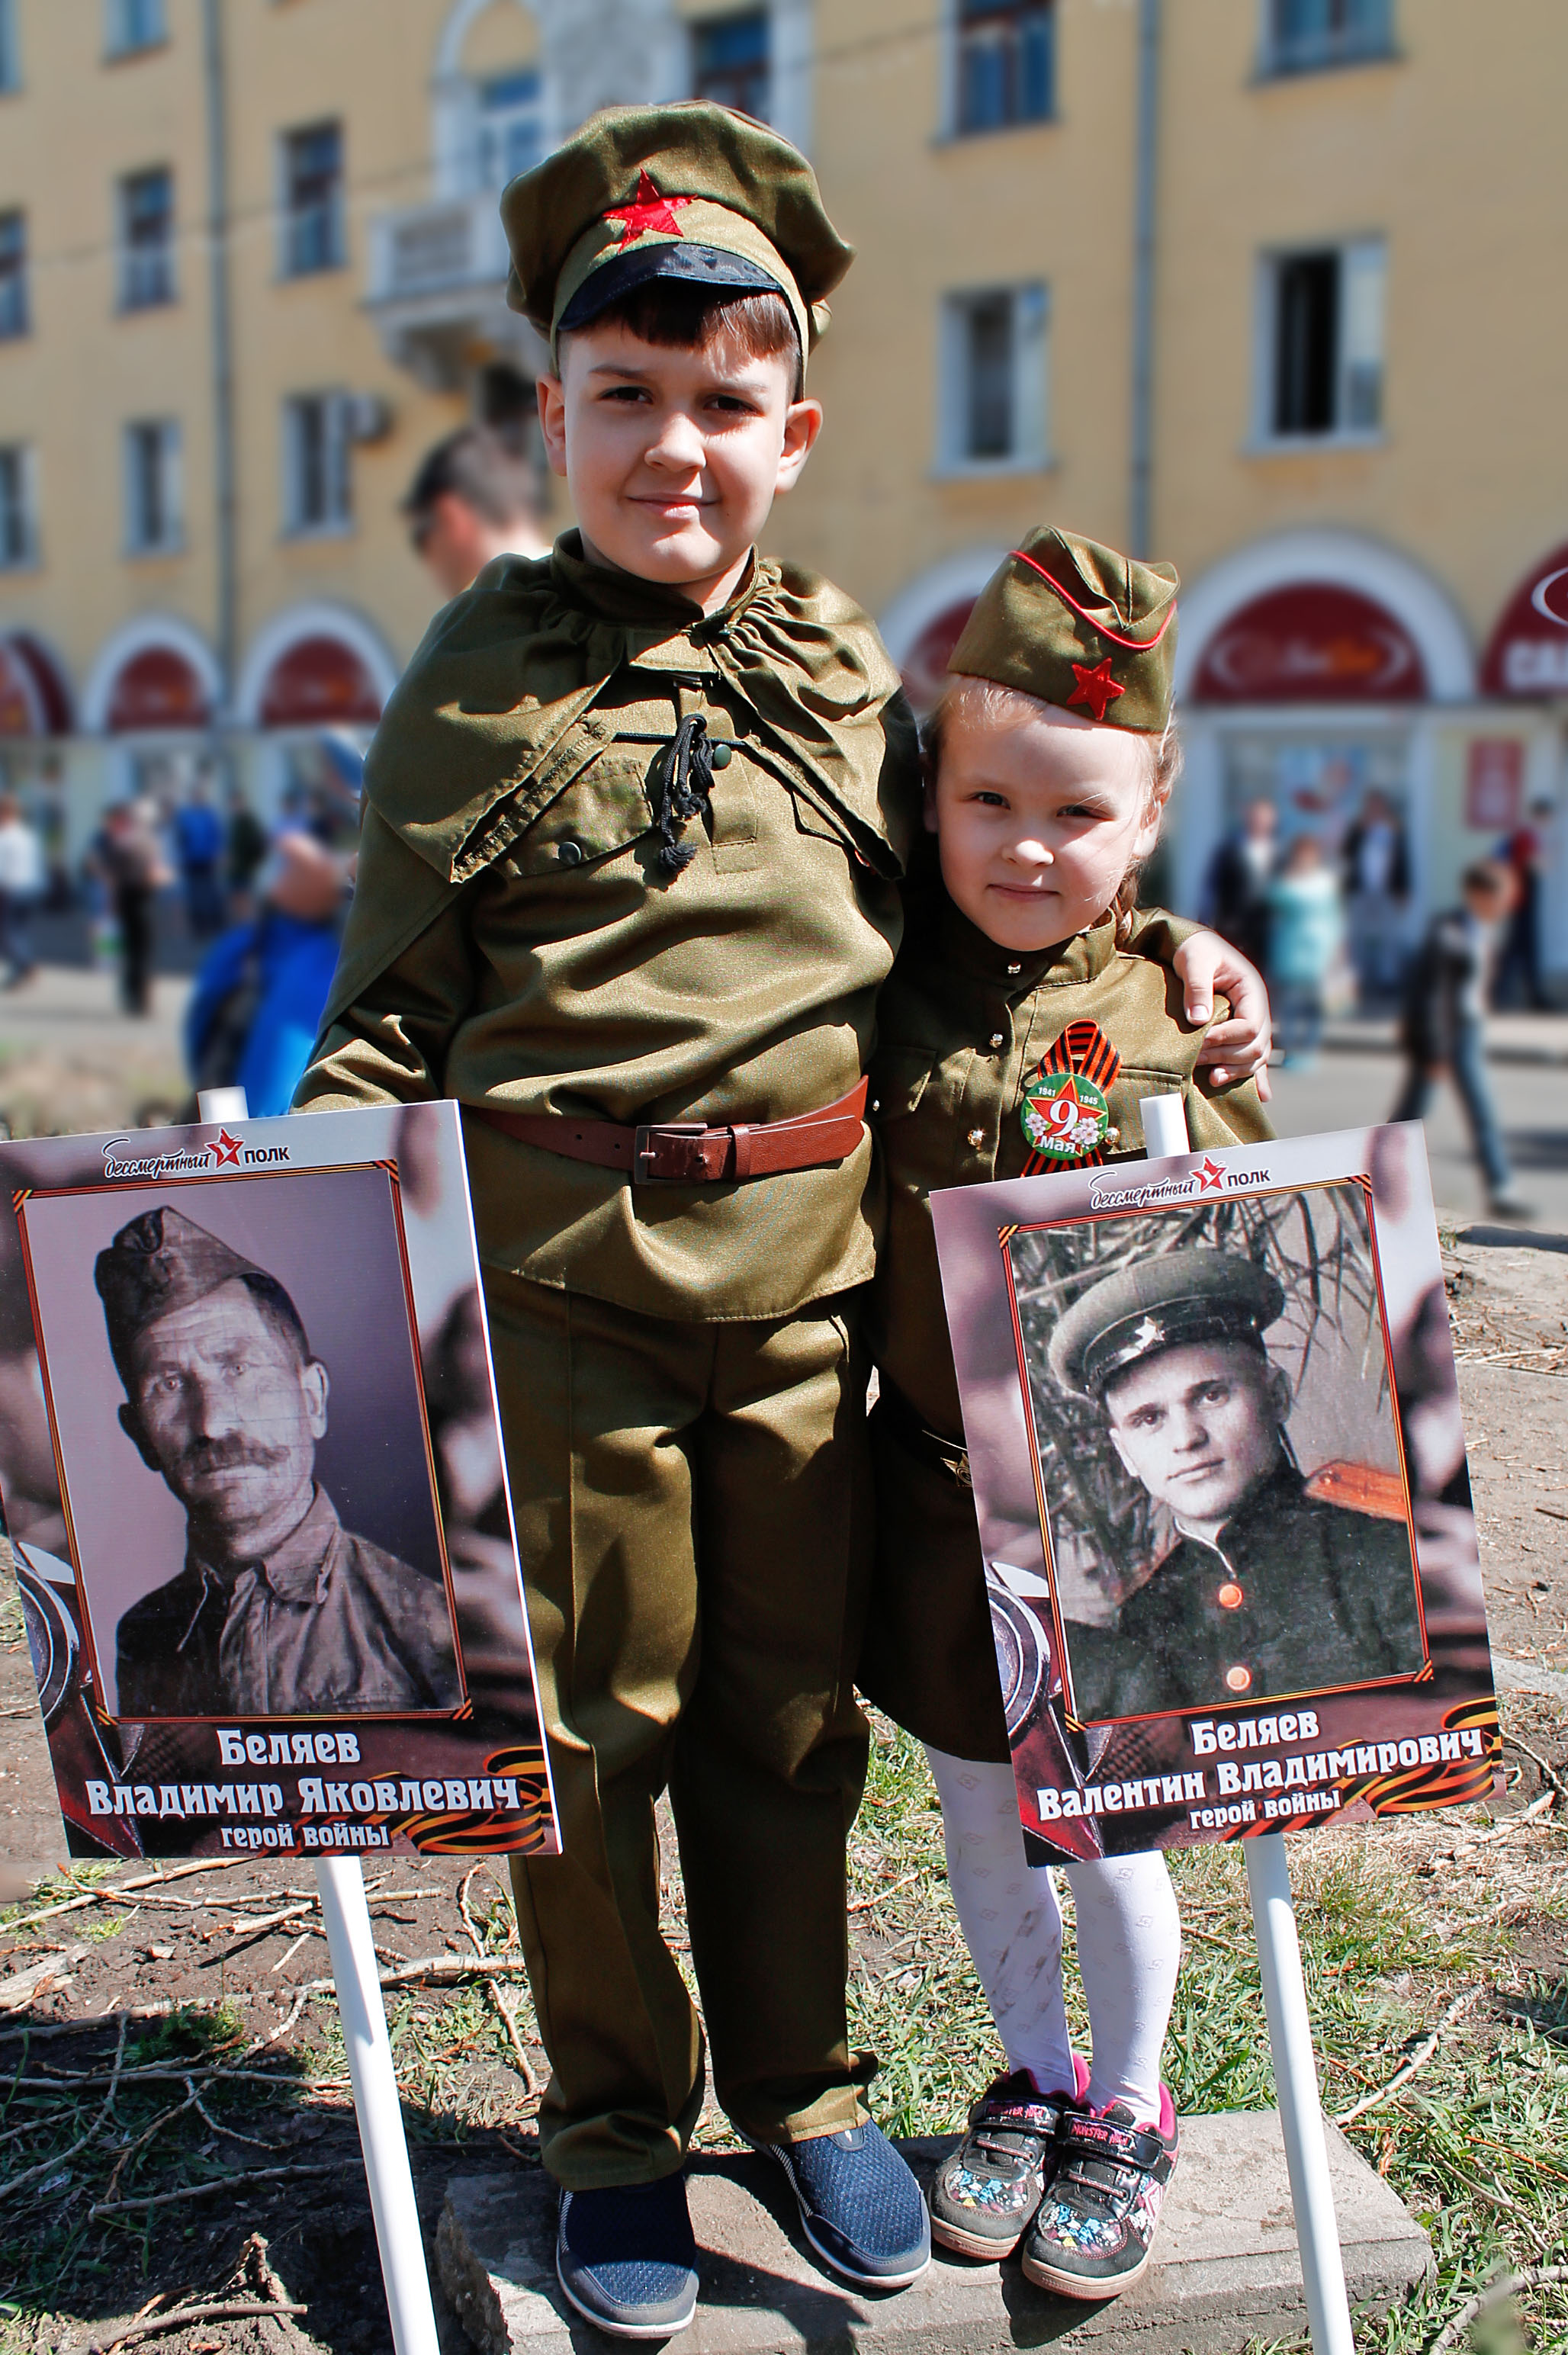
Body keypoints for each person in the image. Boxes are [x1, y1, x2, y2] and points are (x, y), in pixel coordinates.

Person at [294, 114, 1266, 2337]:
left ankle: (806, 2091)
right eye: (621, 396)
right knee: (590, 1734)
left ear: (792, 435)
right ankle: (614, 2129)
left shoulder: (841, 668)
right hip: (564, 1310)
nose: (673, 446)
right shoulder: (476, 675)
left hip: (814, 1307)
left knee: (785, 1722)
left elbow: (1009, 882)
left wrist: (1176, 952)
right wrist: (278, 1242)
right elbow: (381, 1024)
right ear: (554, 415)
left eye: (724, 403)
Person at [858, 529, 1272, 2302]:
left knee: (1111, 1827)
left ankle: (1125, 2101)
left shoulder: (1168, 1019)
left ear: (1150, 813)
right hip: (928, 1492)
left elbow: (1249, 1237)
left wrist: (1189, 964)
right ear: (928, 799)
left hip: (1113, 1520)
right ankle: (1027, 2075)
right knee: (973, 1807)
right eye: (987, 803)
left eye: (1077, 815)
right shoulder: (885, 969)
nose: (1026, 848)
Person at [99, 1205, 459, 1721]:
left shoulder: (428, 1624)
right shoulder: (144, 1637)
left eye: (239, 1368)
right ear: (140, 1436)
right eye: (170, 1385)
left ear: (312, 1399)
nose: (212, 1423)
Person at [1048, 1250, 1425, 1724]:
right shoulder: (1143, 1621)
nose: (1187, 1439)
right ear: (1124, 1453)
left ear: (1276, 1396)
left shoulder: (1393, 1559)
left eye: (1211, 1395)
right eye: (1149, 1419)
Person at [1393, 859, 1528, 1218]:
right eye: (1501, 897)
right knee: (1414, 1112)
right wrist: (1435, 1051)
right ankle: (1378, 1175)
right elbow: (1432, 995)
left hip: (1468, 1028)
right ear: (1478, 895)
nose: (1506, 905)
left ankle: (1501, 1189)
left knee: (1473, 1110)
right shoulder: (1448, 932)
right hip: (1444, 1033)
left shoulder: (1480, 929)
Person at [185, 829, 352, 1117]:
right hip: (252, 1112)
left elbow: (201, 1027)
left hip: (264, 1118)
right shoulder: (253, 947)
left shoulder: (314, 955)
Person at [403, 422, 551, 599]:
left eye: (420, 540)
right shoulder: (578, 574)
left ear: (452, 517)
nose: (428, 564)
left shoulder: (481, 609)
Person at [1266, 831, 1343, 1067]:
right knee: (1290, 1005)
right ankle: (1291, 1051)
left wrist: (1338, 951)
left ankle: (1309, 1050)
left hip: (1320, 952)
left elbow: (1335, 918)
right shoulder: (1285, 882)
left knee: (1314, 1006)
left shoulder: (1326, 883)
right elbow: (1274, 903)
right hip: (1291, 950)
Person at [89, 797, 168, 1016]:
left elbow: (111, 877)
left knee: (131, 950)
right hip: (144, 898)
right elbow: (156, 873)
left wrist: (111, 903)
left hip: (127, 898)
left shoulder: (121, 842)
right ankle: (142, 999)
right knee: (143, 951)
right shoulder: (150, 841)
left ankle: (132, 996)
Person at [1341, 789, 1410, 1008]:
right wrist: (1359, 830)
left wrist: (1404, 888)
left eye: (1378, 806)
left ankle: (1387, 980)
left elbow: (1404, 859)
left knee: (1388, 937)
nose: (1374, 810)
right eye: (1371, 806)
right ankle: (1358, 982)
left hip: (1387, 892)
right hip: (1360, 892)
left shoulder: (1394, 830)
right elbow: (1345, 854)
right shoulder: (1357, 829)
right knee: (1358, 937)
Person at [1494, 795, 1556, 1010]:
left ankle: (1522, 995)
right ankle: (1508, 995)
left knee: (1521, 950)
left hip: (1522, 900)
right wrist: (1548, 857)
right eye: (1548, 817)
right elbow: (1537, 866)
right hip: (1523, 901)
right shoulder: (1527, 836)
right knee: (1521, 950)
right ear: (1542, 815)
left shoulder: (1526, 836)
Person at [1203, 793, 1277, 972]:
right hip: (1234, 930)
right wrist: (1207, 923)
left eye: (1265, 818)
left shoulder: (1279, 853)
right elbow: (1213, 888)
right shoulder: (1228, 851)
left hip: (1267, 933)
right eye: (1257, 817)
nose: (1260, 822)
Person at [173, 778, 227, 940]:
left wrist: (219, 854)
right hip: (190, 860)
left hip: (208, 859)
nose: (198, 797)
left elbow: (218, 835)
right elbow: (180, 838)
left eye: (200, 795)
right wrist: (180, 858)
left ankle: (216, 925)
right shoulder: (185, 815)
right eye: (196, 795)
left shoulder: (210, 813)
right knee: (194, 895)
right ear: (192, 796)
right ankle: (199, 928)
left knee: (211, 893)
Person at [0, 792, 43, 986]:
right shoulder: (27, 835)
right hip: (31, 888)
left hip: (12, 889)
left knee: (10, 933)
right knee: (21, 930)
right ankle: (23, 967)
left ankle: (24, 966)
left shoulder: (5, 837)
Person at [224, 785, 269, 916]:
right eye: (232, 803)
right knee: (235, 900)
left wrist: (253, 863)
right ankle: (241, 921)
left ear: (242, 802)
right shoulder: (231, 822)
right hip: (233, 870)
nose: (234, 806)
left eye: (237, 802)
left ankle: (249, 922)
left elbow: (260, 844)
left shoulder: (249, 821)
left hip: (245, 869)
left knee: (247, 901)